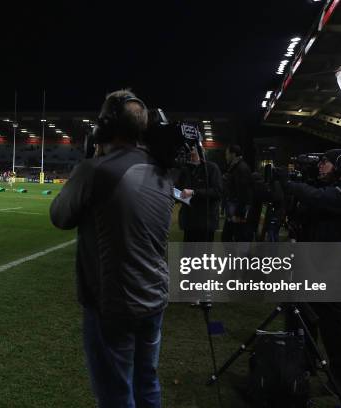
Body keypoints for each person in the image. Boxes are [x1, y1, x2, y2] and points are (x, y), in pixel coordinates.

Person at [50, 90, 174, 408]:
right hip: (155, 297)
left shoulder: (96, 170)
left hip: (114, 303)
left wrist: (91, 158)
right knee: (147, 385)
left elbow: (59, 216)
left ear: (104, 126)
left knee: (117, 396)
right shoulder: (160, 169)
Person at [280, 148, 341, 391]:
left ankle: (338, 376)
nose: (320, 166)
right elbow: (301, 211)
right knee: (302, 316)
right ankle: (305, 364)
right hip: (310, 262)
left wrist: (291, 184)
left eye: (326, 163)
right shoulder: (320, 188)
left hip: (331, 267)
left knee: (332, 324)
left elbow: (316, 198)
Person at [175, 146, 222, 242]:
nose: (190, 153)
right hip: (189, 221)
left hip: (206, 222)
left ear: (201, 152)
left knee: (203, 254)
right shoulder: (185, 170)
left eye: (193, 149)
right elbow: (178, 189)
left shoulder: (211, 168)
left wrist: (194, 192)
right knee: (188, 254)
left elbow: (217, 192)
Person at [222, 144, 254, 242]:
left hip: (237, 212)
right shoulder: (236, 167)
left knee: (233, 239)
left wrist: (239, 214)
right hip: (234, 211)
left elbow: (244, 192)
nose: (226, 157)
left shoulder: (241, 168)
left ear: (233, 154)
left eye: (227, 154)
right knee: (229, 239)